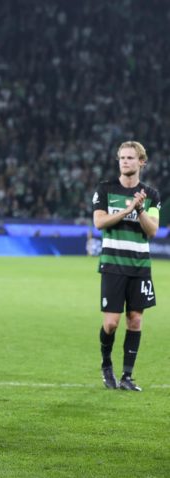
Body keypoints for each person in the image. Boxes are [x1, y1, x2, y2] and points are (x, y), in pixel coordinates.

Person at [92, 141, 161, 392]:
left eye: (130, 158)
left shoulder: (151, 195)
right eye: (122, 158)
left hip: (140, 266)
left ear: (141, 161)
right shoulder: (105, 190)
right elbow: (99, 223)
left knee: (135, 321)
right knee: (111, 323)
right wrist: (128, 209)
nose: (125, 161)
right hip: (113, 265)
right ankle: (106, 364)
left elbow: (152, 230)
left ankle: (127, 376)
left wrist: (140, 209)